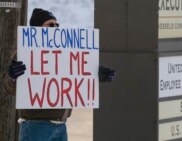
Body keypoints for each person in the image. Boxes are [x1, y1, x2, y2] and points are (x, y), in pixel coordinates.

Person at [3, 8, 115, 141]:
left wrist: (93, 75)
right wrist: (13, 77)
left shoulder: (65, 53)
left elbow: (75, 75)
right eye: (50, 25)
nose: (55, 27)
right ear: (37, 28)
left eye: (57, 25)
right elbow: (10, 89)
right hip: (36, 126)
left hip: (61, 125)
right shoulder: (25, 53)